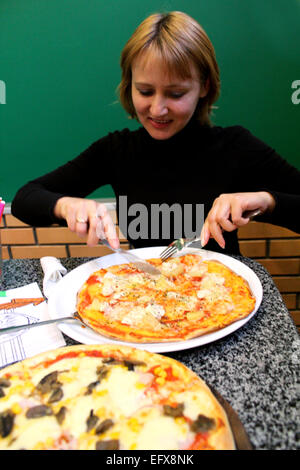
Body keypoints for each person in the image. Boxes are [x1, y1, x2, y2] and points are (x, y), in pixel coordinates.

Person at [11, 11, 300, 255]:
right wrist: (65, 205)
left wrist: (267, 201)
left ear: (205, 87)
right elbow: (25, 199)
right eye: (145, 91)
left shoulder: (237, 146)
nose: (158, 109)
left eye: (175, 93)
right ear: (129, 85)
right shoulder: (115, 150)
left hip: (222, 296)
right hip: (146, 302)